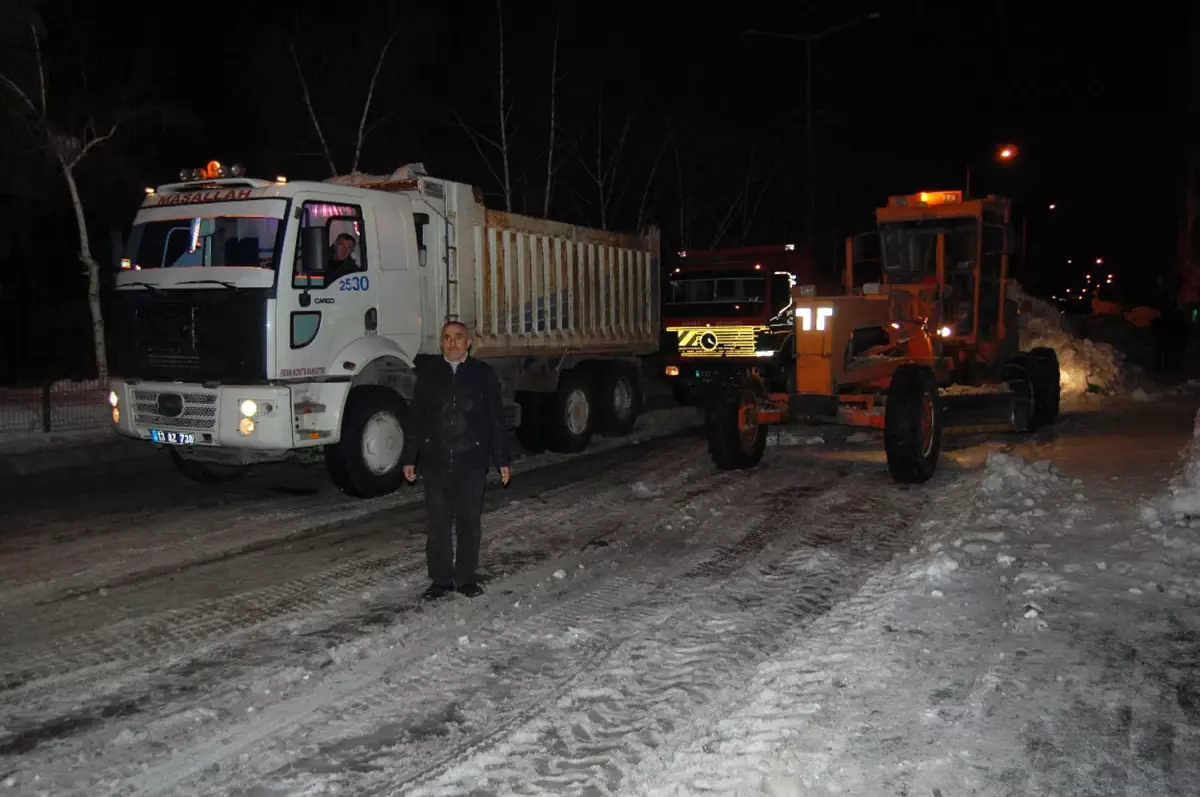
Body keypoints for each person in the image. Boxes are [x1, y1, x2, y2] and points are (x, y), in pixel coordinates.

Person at [401, 321, 512, 599]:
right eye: (447, 338)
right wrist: (410, 458)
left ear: (469, 343)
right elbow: (416, 419)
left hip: (471, 460)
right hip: (436, 461)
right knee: (438, 523)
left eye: (458, 337)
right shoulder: (429, 375)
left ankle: (465, 578)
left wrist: (502, 459)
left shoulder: (482, 375)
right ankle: (440, 579)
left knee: (468, 522)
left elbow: (495, 420)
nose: (452, 343)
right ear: (441, 343)